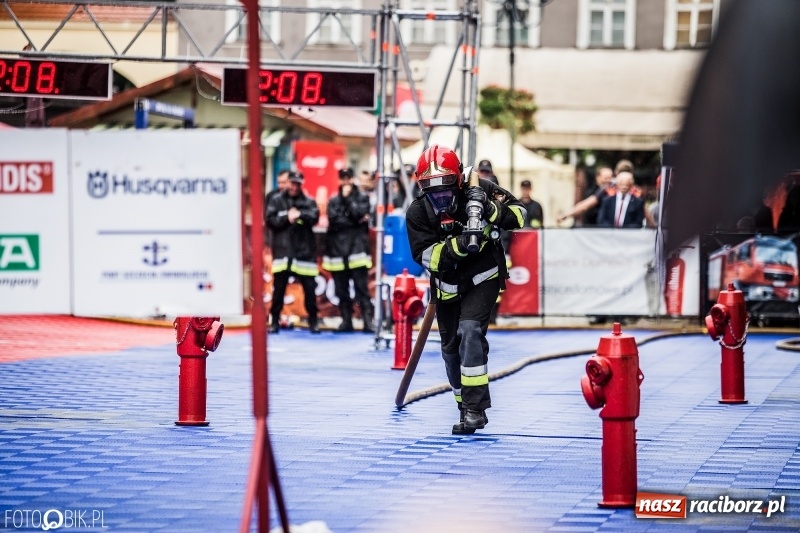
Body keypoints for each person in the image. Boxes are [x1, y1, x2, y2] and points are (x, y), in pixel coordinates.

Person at [405, 145, 525, 434]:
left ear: (458, 180)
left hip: (483, 276)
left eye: (446, 190)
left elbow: (519, 215)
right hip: (446, 286)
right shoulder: (418, 212)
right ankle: (463, 404)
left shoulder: (479, 188)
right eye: (433, 192)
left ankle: (475, 409)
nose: (441, 198)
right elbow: (425, 256)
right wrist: (458, 246)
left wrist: (490, 209)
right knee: (450, 352)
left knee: (469, 331)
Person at [265, 171, 321, 334]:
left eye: (297, 183)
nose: (294, 187)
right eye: (292, 183)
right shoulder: (276, 200)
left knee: (310, 290)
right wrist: (286, 217)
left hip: (304, 253)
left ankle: (313, 321)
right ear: (288, 182)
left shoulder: (308, 201)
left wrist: (299, 215)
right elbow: (270, 219)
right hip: (283, 251)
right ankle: (274, 321)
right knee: (279, 290)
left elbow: (314, 216)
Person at [323, 167, 374, 333]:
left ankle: (368, 322)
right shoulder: (333, 200)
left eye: (348, 178)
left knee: (362, 290)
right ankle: (346, 321)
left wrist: (348, 203)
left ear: (352, 179)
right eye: (343, 178)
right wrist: (355, 220)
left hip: (357, 251)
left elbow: (359, 213)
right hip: (337, 252)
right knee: (341, 290)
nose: (346, 181)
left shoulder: (362, 198)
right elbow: (334, 221)